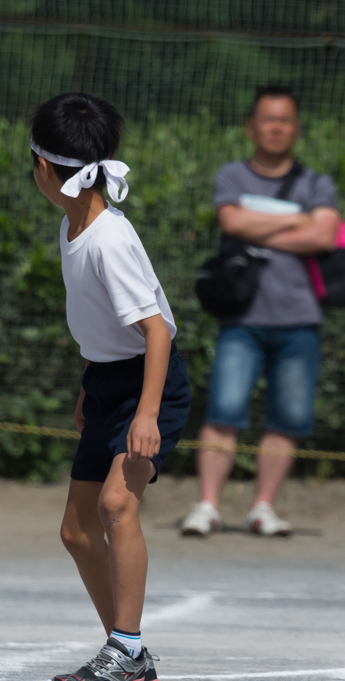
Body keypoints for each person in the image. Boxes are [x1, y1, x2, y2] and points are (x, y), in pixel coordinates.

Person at [31, 92, 191, 681]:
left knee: (117, 504)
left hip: (151, 384)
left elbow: (156, 332)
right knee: (77, 530)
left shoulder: (108, 238)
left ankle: (124, 648)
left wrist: (145, 415)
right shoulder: (74, 223)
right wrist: (88, 382)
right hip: (108, 378)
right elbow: (105, 325)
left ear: (44, 168)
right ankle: (128, 652)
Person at [181, 85, 341, 537]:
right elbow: (231, 222)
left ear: (296, 127)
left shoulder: (317, 182)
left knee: (287, 419)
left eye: (285, 119)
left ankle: (262, 508)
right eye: (268, 119)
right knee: (223, 412)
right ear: (251, 127)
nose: (276, 127)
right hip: (241, 319)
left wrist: (258, 230)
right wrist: (297, 219)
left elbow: (325, 237)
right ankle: (208, 506)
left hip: (299, 318)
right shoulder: (231, 174)